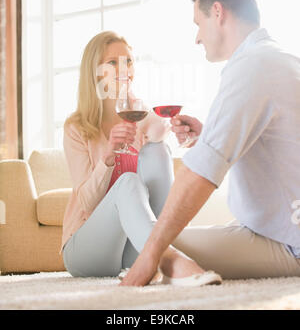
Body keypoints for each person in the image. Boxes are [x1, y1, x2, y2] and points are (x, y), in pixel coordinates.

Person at [120, 0, 300, 286]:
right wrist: (208, 134)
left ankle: (176, 268)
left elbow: (199, 174)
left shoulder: (252, 68)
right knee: (154, 239)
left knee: (137, 246)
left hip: (288, 239)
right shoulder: (278, 59)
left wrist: (151, 255)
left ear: (217, 12)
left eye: (198, 24)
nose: (197, 38)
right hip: (282, 226)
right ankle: (174, 264)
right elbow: (281, 148)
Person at [61, 30, 221, 284]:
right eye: (112, 63)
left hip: (130, 250)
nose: (123, 68)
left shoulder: (137, 113)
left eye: (128, 61)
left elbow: (161, 131)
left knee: (158, 150)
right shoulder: (76, 127)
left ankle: (160, 248)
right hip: (86, 251)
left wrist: (185, 134)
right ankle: (171, 261)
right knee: (128, 182)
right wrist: (109, 155)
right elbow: (88, 203)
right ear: (96, 72)